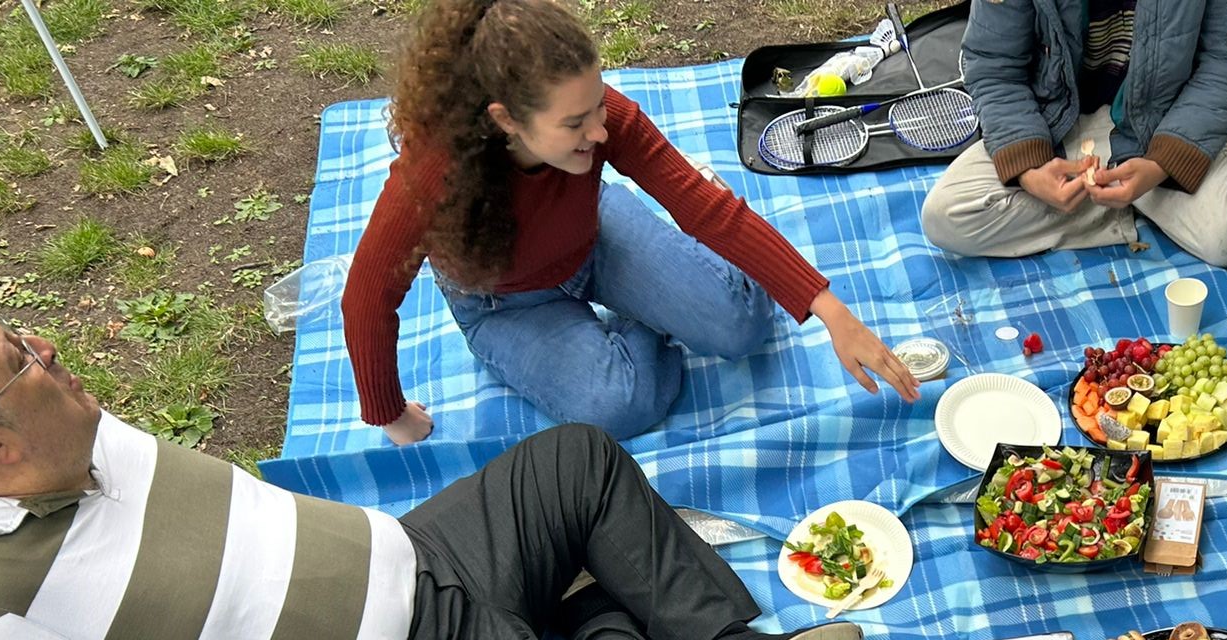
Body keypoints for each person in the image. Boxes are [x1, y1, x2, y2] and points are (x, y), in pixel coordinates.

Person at [0, 312, 865, 640]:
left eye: (19, 332)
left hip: (425, 558)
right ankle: (599, 612)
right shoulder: (2, 611)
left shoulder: (77, 426)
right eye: (22, 360)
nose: (49, 347)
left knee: (575, 460)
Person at [344, 0, 917, 446]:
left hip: (595, 238)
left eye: (599, 104)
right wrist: (389, 413)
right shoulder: (433, 172)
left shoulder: (603, 119)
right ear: (505, 120)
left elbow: (703, 208)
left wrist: (830, 310)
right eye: (574, 122)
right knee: (618, 408)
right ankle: (649, 314)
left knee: (744, 326)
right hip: (506, 303)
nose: (599, 130)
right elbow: (367, 295)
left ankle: (665, 298)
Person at [919, 0, 1227, 267]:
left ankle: (1216, 138)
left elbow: (1223, 65)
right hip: (1057, 124)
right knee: (945, 219)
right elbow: (994, 66)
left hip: (1165, 122)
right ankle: (1147, 196)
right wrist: (1028, 168)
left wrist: (1163, 162)